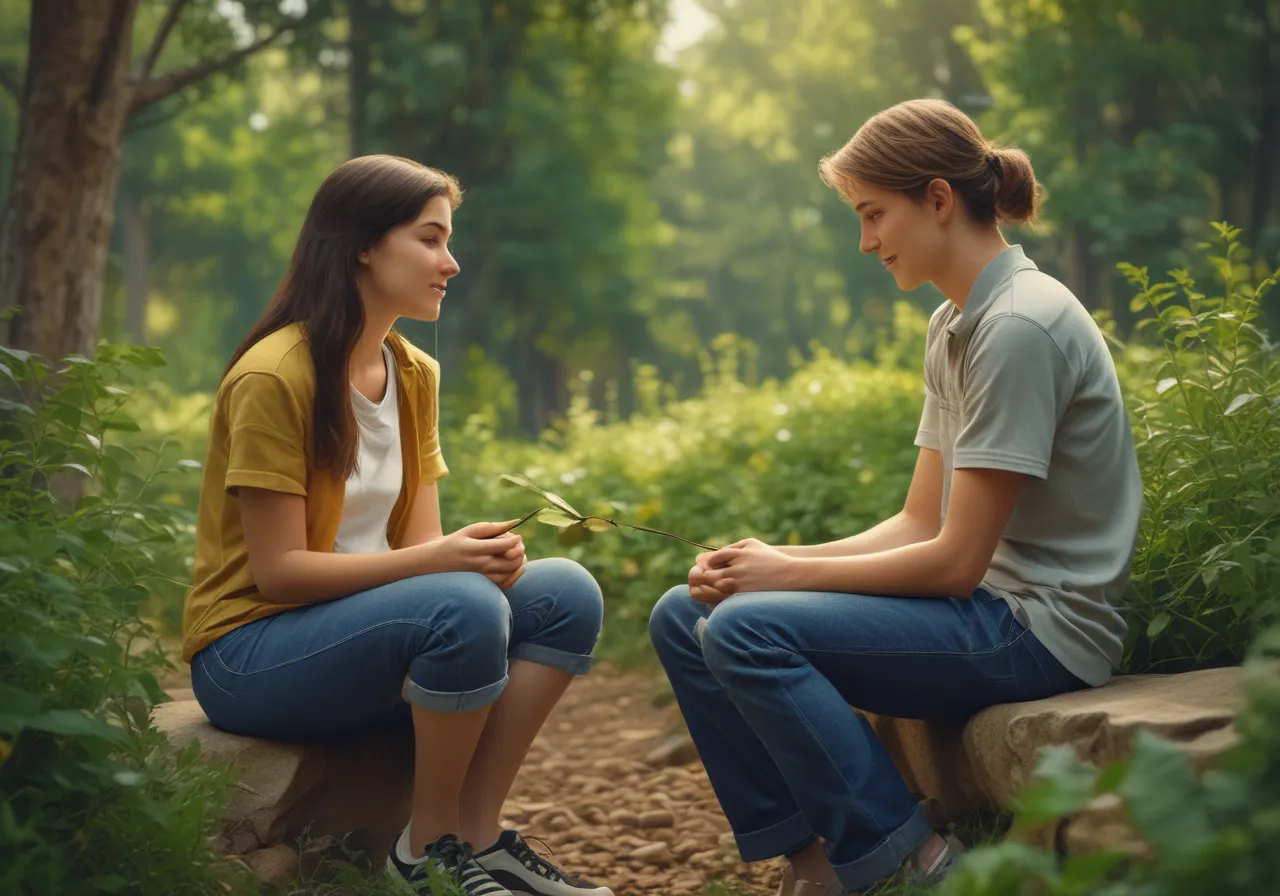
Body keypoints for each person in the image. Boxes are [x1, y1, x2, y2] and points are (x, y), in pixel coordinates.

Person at [649, 98, 1142, 895]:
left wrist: (783, 579)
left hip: (1037, 628)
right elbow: (920, 518)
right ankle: (815, 864)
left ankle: (910, 863)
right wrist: (769, 560)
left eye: (874, 215)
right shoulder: (957, 322)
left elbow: (953, 562)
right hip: (984, 609)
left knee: (743, 630)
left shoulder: (1020, 325)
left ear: (938, 200)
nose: (866, 241)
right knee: (686, 613)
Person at [182, 154, 612, 896]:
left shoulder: (413, 374)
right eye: (430, 238)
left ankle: (477, 835)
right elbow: (280, 571)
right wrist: (444, 568)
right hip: (252, 650)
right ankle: (426, 850)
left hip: (356, 632)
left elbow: (419, 550)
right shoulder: (274, 376)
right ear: (362, 244)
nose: (451, 261)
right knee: (464, 603)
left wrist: (468, 558)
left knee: (566, 591)